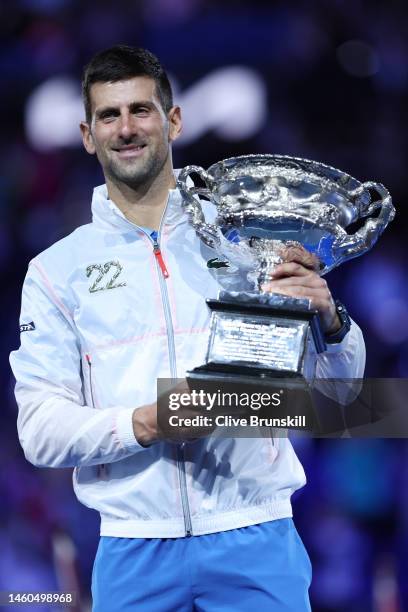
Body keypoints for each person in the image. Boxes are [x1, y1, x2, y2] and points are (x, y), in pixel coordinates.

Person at [10, 45, 365, 611]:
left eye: (141, 110)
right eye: (109, 115)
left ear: (173, 120)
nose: (126, 128)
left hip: (256, 533)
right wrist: (145, 423)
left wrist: (331, 319)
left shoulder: (246, 244)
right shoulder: (56, 271)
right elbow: (40, 430)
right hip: (133, 547)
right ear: (87, 134)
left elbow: (340, 396)